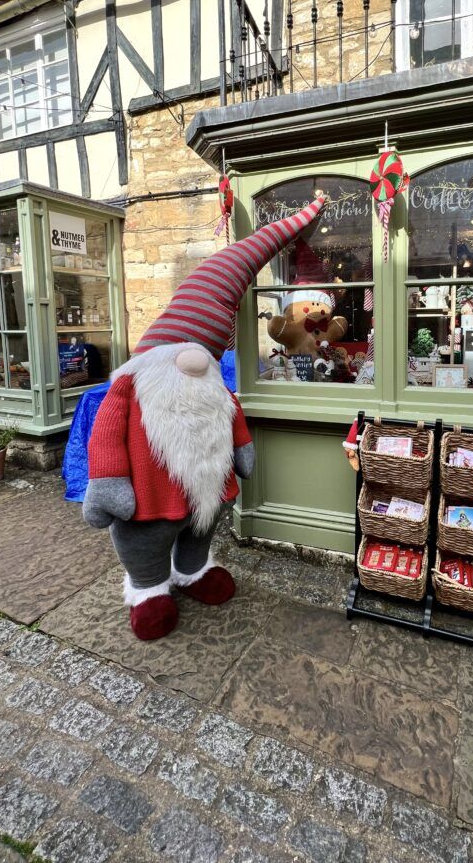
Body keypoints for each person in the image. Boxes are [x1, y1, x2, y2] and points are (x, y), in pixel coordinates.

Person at [83, 196, 327, 640]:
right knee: (146, 541)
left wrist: (243, 451)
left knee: (200, 530)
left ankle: (191, 570)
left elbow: (232, 415)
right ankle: (148, 587)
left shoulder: (216, 385)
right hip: (149, 498)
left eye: (203, 350)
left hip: (206, 492)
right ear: (160, 351)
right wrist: (106, 482)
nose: (194, 360)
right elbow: (105, 436)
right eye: (185, 349)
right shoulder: (130, 385)